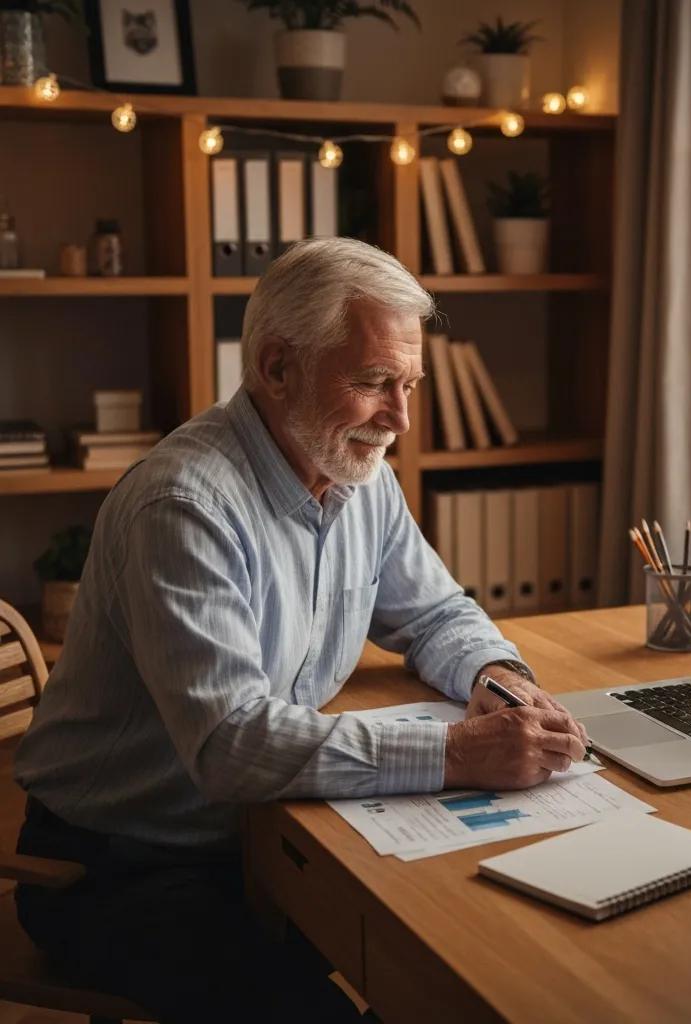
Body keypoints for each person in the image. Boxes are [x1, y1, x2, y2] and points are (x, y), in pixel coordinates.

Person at [14, 238, 589, 1023]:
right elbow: (231, 746)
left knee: (487, 953)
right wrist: (457, 753)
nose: (401, 419)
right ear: (276, 368)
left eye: (410, 385)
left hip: (255, 833)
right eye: (374, 382)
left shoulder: (361, 474)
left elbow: (437, 612)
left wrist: (498, 680)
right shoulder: (184, 507)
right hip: (116, 864)